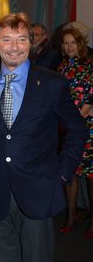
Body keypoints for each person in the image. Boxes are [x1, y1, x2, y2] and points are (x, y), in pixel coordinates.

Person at [0, 13, 89, 262]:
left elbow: (78, 129)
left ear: (31, 44)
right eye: (7, 40)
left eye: (21, 39)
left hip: (38, 189)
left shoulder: (53, 83)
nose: (14, 47)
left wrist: (63, 171)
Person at [57, 27, 93, 238]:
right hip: (67, 129)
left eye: (73, 42)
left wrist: (73, 124)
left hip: (87, 129)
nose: (69, 46)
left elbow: (89, 99)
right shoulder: (61, 67)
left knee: (90, 178)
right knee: (69, 174)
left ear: (80, 44)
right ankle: (71, 217)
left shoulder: (90, 67)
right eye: (65, 43)